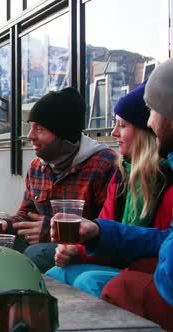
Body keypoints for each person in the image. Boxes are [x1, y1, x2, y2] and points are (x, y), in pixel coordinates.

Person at [49, 58, 173, 330]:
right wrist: (79, 245)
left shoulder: (162, 177)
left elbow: (158, 247)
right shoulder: (122, 173)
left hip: (139, 271)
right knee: (52, 271)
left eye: (122, 125)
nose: (114, 133)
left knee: (87, 281)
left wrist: (87, 243)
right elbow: (105, 226)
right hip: (123, 263)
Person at [0, 87, 117, 272]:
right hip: (37, 245)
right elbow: (25, 215)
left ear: (64, 133)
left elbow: (107, 228)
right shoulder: (37, 166)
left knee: (36, 253)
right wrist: (6, 225)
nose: (30, 136)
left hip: (80, 251)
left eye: (39, 129)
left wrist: (49, 232)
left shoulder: (104, 164)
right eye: (30, 127)